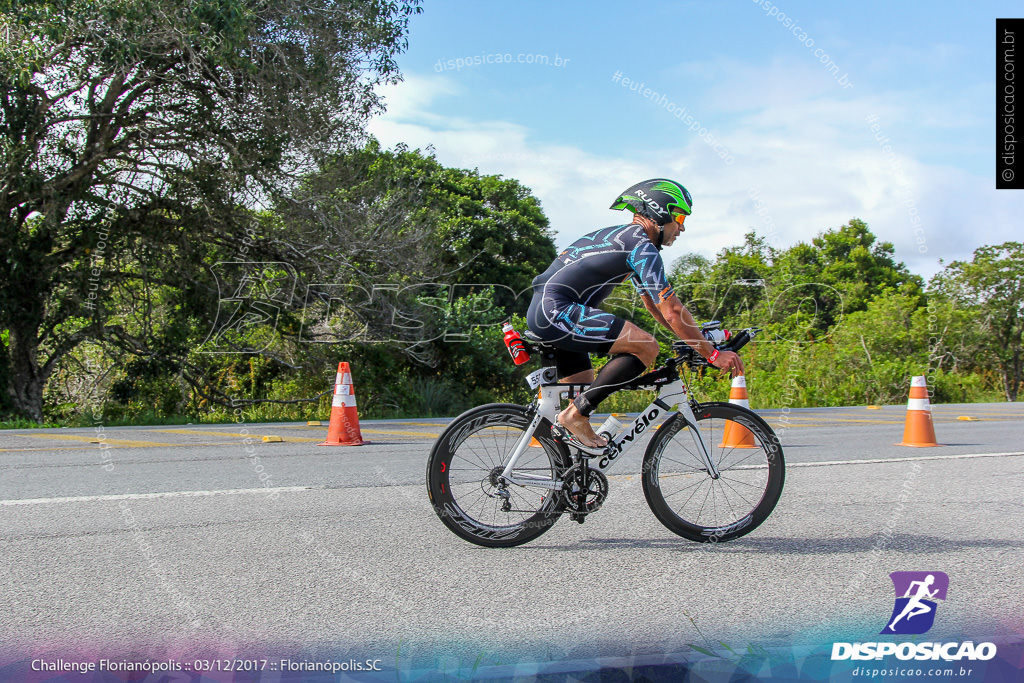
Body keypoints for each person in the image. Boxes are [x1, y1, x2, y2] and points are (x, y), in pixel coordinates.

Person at [526, 178, 744, 453]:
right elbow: (674, 311)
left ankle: (570, 486)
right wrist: (711, 354)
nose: (682, 227)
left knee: (583, 394)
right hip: (556, 310)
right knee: (645, 346)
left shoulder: (628, 239)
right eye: (679, 217)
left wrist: (696, 340)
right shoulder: (642, 246)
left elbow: (658, 308)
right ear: (660, 213)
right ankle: (574, 416)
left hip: (549, 310)